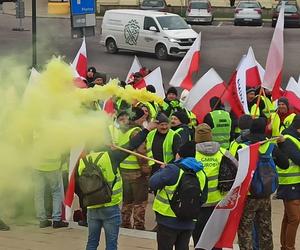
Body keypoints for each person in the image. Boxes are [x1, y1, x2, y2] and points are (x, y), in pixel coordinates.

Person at [78, 123, 154, 250]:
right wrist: (146, 130)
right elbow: (132, 144)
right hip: (110, 206)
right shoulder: (111, 157)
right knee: (111, 244)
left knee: (91, 243)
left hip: (92, 206)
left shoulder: (83, 161)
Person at [238, 118, 289, 250]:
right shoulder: (271, 147)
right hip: (266, 195)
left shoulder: (244, 147)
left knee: (245, 229)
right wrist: (281, 145)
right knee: (265, 228)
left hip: (249, 195)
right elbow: (285, 164)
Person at [149, 141, 208, 250]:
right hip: (189, 221)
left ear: (179, 154)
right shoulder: (201, 172)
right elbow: (203, 198)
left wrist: (161, 170)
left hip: (167, 220)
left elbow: (152, 183)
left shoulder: (173, 169)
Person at [193, 123, 238, 248]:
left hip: (198, 204)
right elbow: (238, 169)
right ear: (210, 136)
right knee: (216, 240)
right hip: (218, 204)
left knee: (199, 239)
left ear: (196, 137)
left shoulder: (191, 154)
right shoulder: (224, 153)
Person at [118, 107, 150, 230]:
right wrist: (145, 168)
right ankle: (139, 225)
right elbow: (141, 153)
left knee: (127, 200)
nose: (144, 120)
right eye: (143, 117)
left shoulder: (123, 129)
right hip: (137, 172)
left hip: (124, 170)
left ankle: (125, 223)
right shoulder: (137, 132)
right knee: (140, 201)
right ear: (138, 118)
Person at [277, 114, 300, 250]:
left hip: (294, 182)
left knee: (288, 217)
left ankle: (284, 246)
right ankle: (289, 247)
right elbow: (298, 159)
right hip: (289, 182)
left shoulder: (294, 138)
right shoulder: (288, 139)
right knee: (295, 218)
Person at [33, 155, 69, 228]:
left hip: (37, 166)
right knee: (56, 193)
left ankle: (42, 220)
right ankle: (56, 220)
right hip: (53, 166)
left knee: (39, 193)